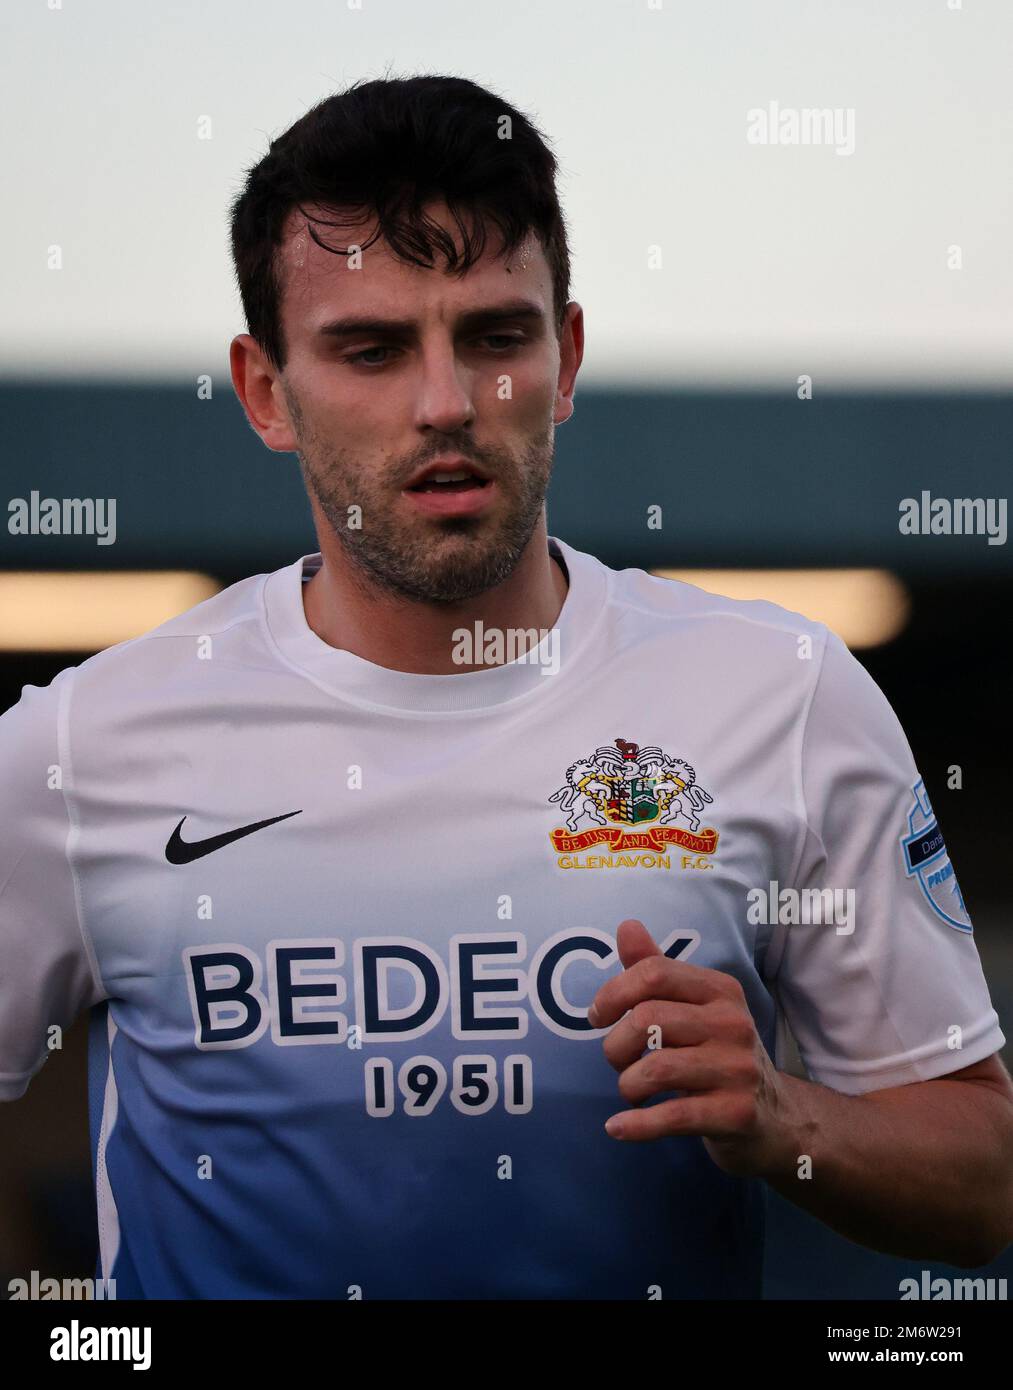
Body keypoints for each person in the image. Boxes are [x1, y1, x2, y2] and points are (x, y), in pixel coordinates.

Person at [1, 74, 1010, 1300]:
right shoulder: (81, 743)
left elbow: (983, 1180)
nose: (444, 404)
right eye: (368, 349)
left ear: (565, 355)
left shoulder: (779, 696)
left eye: (493, 336)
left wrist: (785, 1120)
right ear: (265, 389)